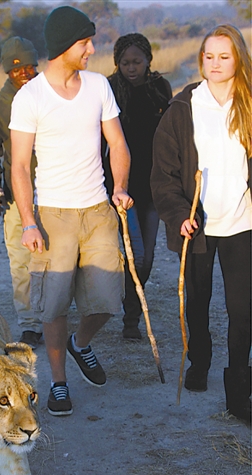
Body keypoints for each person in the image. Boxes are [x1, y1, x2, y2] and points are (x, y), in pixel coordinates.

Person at [9, 6, 133, 417]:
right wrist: (29, 222)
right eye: (85, 43)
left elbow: (117, 144)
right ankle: (59, 384)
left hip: (97, 209)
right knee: (54, 306)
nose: (92, 49)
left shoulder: (98, 86)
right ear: (65, 46)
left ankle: (82, 343)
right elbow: (21, 166)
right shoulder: (30, 97)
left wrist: (119, 187)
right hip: (52, 215)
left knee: (107, 301)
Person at [151, 25, 251, 424]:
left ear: (238, 59)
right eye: (208, 56)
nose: (215, 64)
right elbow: (163, 174)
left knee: (243, 309)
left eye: (224, 56)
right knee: (198, 301)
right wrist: (179, 216)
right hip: (198, 226)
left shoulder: (248, 103)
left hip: (243, 222)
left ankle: (239, 389)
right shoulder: (183, 109)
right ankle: (200, 362)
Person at [103, 33, 172, 340]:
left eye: (137, 62)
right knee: (137, 256)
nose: (131, 68)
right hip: (122, 187)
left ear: (148, 61)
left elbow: (170, 138)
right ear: (117, 64)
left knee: (147, 260)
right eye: (125, 63)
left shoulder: (160, 89)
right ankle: (131, 320)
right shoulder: (109, 89)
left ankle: (130, 303)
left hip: (155, 186)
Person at [0, 36, 43, 349]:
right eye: (18, 70)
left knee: (57, 258)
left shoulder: (53, 94)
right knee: (21, 260)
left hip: (57, 189)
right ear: (7, 72)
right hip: (18, 195)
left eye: (30, 66)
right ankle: (30, 323)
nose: (26, 74)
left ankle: (54, 312)